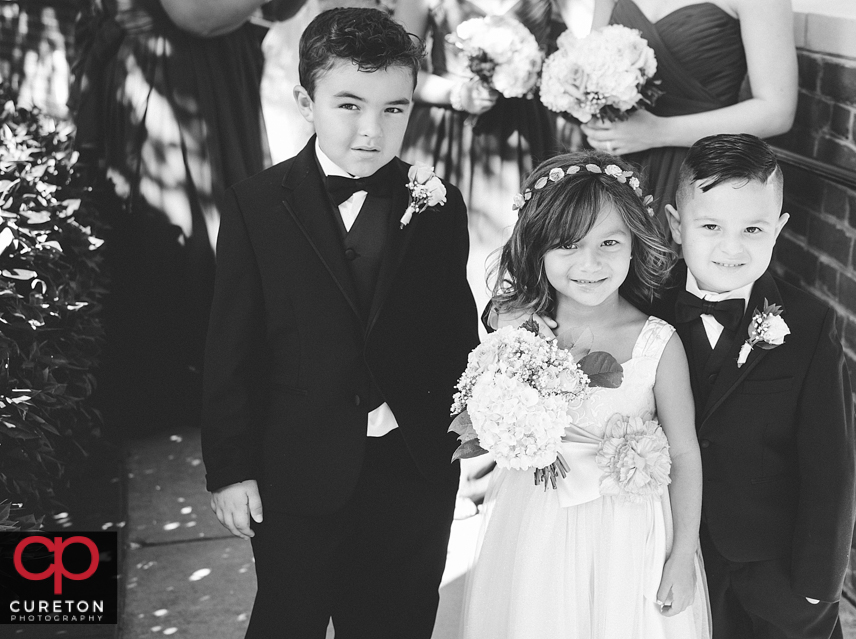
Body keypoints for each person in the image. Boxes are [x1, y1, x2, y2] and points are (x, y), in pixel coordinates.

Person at [200, 9, 479, 638]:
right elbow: (230, 349)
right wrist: (230, 469)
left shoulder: (436, 202)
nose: (371, 130)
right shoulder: (256, 207)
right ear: (307, 101)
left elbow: (454, 332)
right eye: (349, 105)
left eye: (394, 109)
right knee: (286, 619)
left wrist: (467, 428)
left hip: (412, 472)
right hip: (295, 472)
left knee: (397, 622)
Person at [463, 151, 710, 639]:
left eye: (610, 242)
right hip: (538, 522)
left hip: (631, 533)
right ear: (537, 249)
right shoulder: (521, 335)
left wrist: (683, 553)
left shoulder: (657, 343)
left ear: (635, 246)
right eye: (568, 245)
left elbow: (684, 451)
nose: (590, 263)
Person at [652, 133, 856, 638]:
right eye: (710, 226)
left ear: (778, 230)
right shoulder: (642, 308)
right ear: (677, 226)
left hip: (774, 573)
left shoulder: (809, 324)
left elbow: (832, 464)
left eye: (752, 228)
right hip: (662, 550)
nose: (731, 246)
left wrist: (818, 584)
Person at [70, 0, 306, 435]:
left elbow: (279, 11)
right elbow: (192, 14)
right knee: (184, 233)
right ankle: (167, 395)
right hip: (170, 75)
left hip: (220, 72)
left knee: (229, 230)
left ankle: (219, 388)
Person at [393, 0, 560, 309]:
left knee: (512, 251)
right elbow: (397, 72)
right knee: (433, 249)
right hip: (446, 132)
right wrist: (458, 95)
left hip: (522, 135)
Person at [581, 0, 797, 228]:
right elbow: (590, 67)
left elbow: (777, 112)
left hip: (700, 170)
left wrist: (656, 132)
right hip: (618, 166)